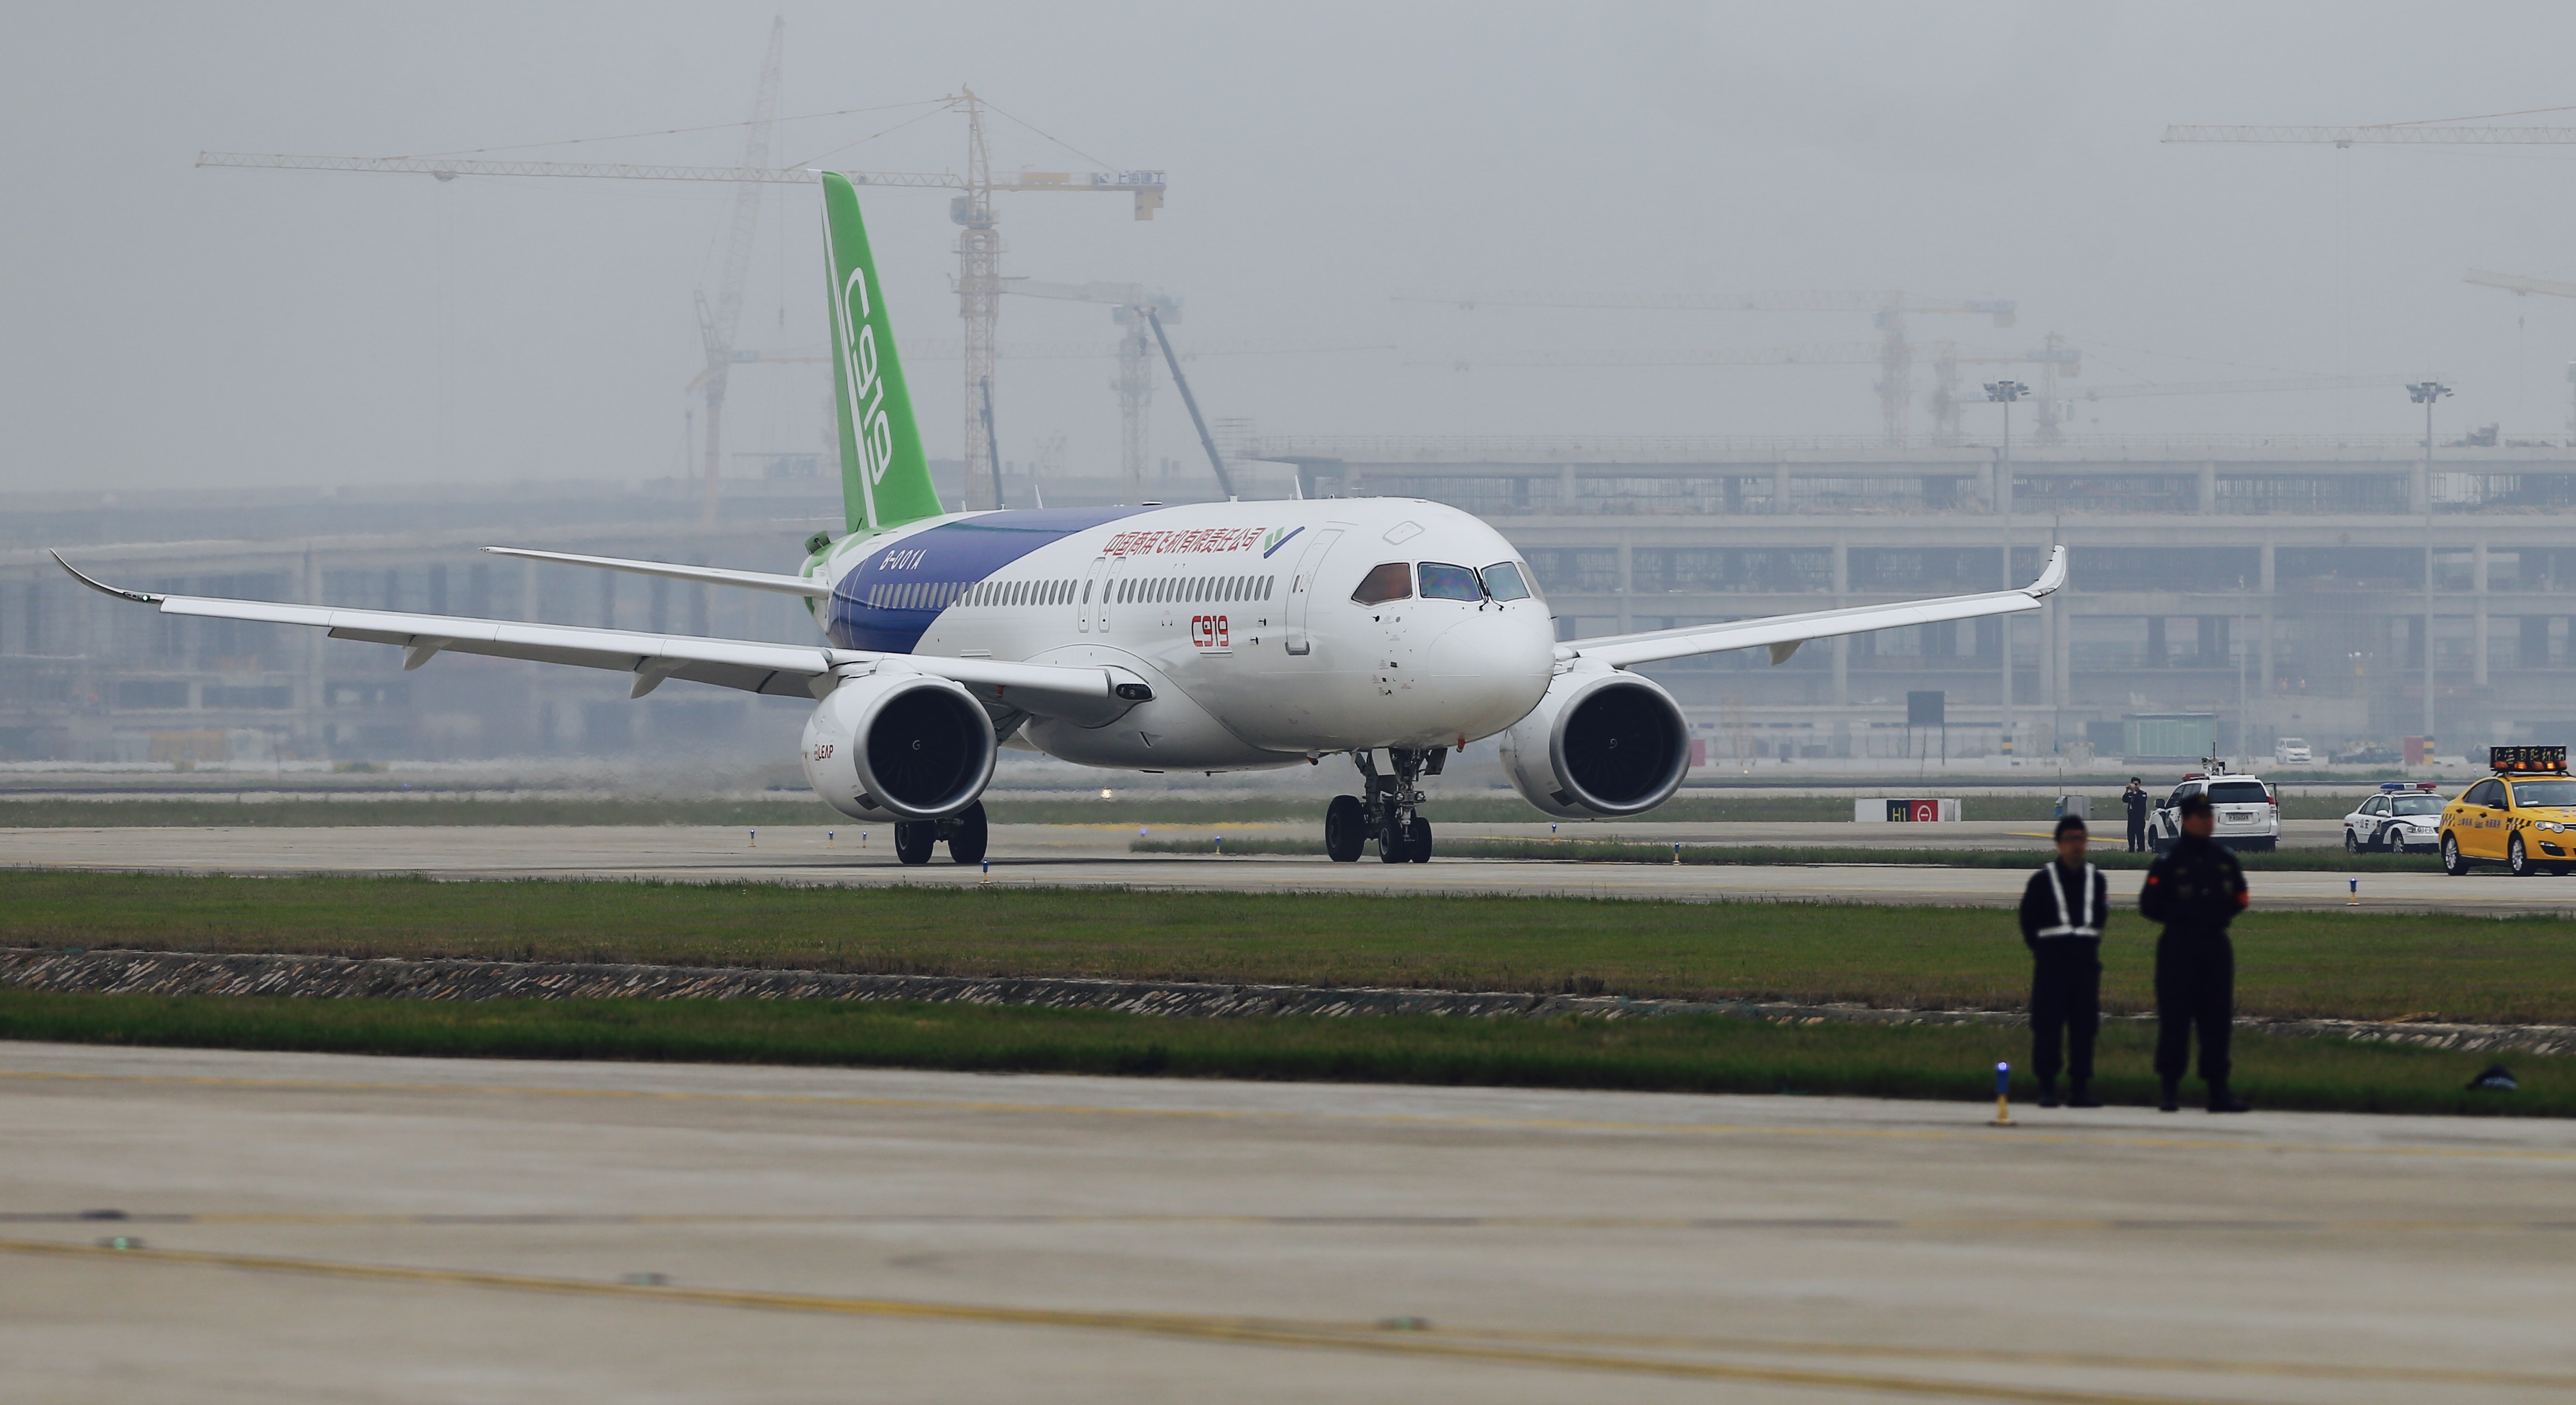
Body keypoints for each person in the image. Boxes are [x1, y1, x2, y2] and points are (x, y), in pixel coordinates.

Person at [2138, 793, 2251, 1113]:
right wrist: (2182, 917)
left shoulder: (2223, 859)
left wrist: (2215, 916)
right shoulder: (2170, 861)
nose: (2208, 822)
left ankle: (2218, 1091)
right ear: (2187, 820)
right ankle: (2170, 1091)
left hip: (2215, 946)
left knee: (2217, 1021)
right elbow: (2149, 904)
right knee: (2175, 1019)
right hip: (2179, 947)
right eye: (2202, 817)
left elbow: (2241, 898)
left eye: (2210, 816)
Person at [2017, 815, 2107, 1108]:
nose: (2077, 845)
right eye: (2070, 839)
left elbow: (2100, 920)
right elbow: (2027, 922)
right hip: (2052, 966)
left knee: (2084, 1028)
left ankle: (2080, 1089)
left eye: (2081, 839)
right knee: (2048, 1027)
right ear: (2058, 844)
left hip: (2085, 966)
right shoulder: (2042, 881)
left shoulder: (2096, 879)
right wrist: (2046, 952)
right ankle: (2047, 1088)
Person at [2122, 777, 2150, 853]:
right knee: (2131, 836)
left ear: (2140, 785)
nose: (2135, 786)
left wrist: (2134, 792)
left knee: (2140, 835)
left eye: (2136, 784)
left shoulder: (2143, 794)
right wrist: (2127, 790)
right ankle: (2131, 850)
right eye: (2133, 784)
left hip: (2140, 819)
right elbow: (2125, 799)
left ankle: (2141, 850)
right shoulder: (2131, 794)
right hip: (2131, 819)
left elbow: (2140, 801)